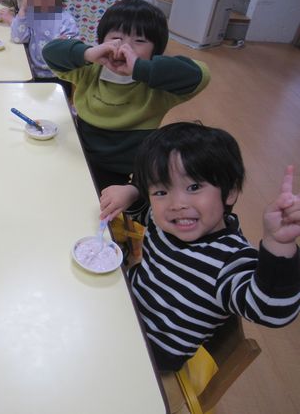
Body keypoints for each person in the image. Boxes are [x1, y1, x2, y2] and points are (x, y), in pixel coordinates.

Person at [99, 122, 300, 372]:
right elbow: (143, 210)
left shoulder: (230, 260)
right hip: (125, 305)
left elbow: (269, 310)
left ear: (230, 191)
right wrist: (130, 192)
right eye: (161, 191)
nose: (177, 204)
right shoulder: (164, 223)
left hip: (154, 349)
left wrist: (279, 243)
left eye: (194, 187)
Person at [42, 0, 210, 193]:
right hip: (78, 155)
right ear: (102, 41)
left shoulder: (157, 87)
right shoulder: (90, 71)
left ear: (155, 51)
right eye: (116, 38)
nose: (124, 48)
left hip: (123, 174)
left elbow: (201, 75)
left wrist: (142, 68)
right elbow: (50, 52)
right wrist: (87, 53)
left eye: (139, 41)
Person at [10, 0, 78, 81]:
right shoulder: (30, 15)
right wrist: (23, 9)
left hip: (58, 76)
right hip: (32, 74)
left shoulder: (66, 20)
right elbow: (18, 38)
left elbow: (74, 48)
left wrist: (66, 43)